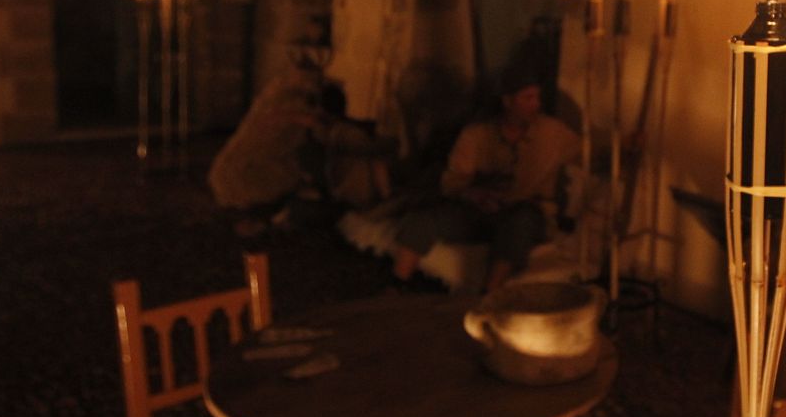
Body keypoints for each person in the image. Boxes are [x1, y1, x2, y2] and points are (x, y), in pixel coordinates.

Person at [393, 57, 577, 291]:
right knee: (423, 220)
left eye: (538, 97)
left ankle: (488, 295)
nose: (536, 104)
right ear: (508, 101)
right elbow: (452, 182)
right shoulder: (477, 135)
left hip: (526, 216)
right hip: (481, 213)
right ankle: (397, 285)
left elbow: (591, 152)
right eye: (528, 98)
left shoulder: (553, 133)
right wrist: (474, 194)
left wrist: (620, 148)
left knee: (521, 220)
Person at [208, 67, 390, 253]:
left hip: (340, 187)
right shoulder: (316, 130)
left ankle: (277, 217)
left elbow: (366, 148)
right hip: (325, 184)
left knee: (312, 202)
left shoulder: (334, 133)